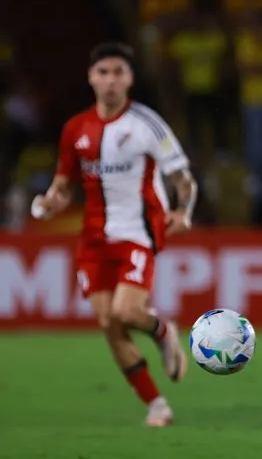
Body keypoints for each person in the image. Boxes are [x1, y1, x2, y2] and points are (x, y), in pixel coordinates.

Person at [31, 42, 197, 427]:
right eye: (103, 72)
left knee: (126, 311)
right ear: (91, 78)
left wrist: (183, 211)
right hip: (92, 239)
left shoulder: (146, 124)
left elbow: (182, 178)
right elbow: (62, 185)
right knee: (109, 323)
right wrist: (51, 202)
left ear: (130, 79)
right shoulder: (75, 129)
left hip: (138, 232)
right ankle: (157, 404)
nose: (110, 80)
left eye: (118, 72)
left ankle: (162, 330)